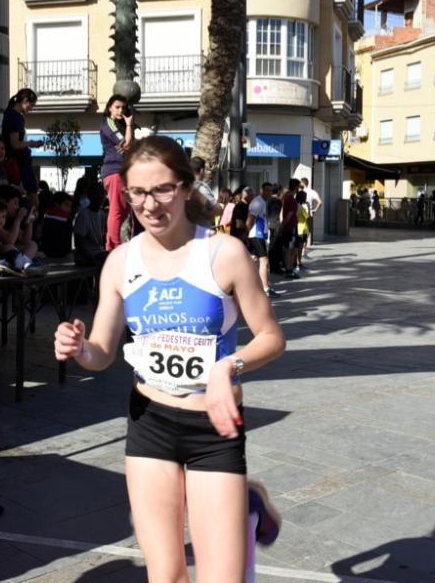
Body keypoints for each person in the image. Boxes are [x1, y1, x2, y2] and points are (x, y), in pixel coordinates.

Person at [53, 136, 285, 582]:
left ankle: (244, 511)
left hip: (214, 428)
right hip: (150, 424)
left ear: (185, 187)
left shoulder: (223, 254)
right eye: (137, 192)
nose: (150, 204)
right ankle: (243, 509)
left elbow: (272, 337)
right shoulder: (120, 263)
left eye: (162, 190)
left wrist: (228, 366)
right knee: (168, 577)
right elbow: (101, 352)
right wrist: (80, 348)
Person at [100, 94, 134, 251]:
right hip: (115, 171)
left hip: (122, 170)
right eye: (117, 107)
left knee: (125, 209)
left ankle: (114, 243)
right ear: (109, 108)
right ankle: (112, 245)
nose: (121, 111)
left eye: (123, 108)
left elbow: (128, 146)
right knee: (117, 209)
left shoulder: (118, 125)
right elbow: (126, 145)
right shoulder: (109, 124)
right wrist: (129, 126)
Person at [2, 88, 43, 208]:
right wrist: (31, 143)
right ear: (24, 101)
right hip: (21, 163)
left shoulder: (10, 115)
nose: (31, 109)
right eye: (31, 105)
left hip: (17, 163)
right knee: (34, 201)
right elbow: (15, 143)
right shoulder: (15, 117)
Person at [246, 183, 278, 298]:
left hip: (260, 235)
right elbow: (250, 219)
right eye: (267, 190)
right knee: (264, 261)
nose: (269, 193)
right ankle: (265, 288)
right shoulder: (258, 202)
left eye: (270, 191)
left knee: (254, 260)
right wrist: (247, 234)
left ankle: (255, 285)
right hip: (255, 235)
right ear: (261, 190)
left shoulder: (263, 202)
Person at [73, 182, 108, 269]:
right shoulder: (83, 215)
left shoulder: (102, 214)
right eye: (97, 194)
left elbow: (102, 238)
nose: (100, 197)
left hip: (98, 252)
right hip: (85, 255)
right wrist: (93, 256)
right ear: (90, 196)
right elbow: (79, 242)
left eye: (102, 194)